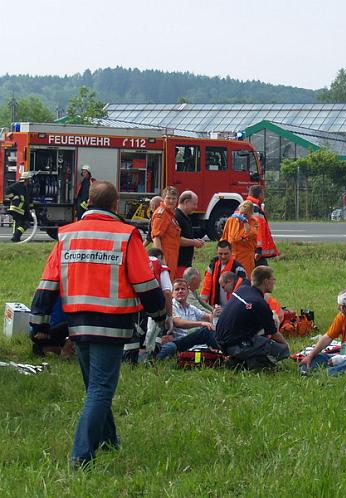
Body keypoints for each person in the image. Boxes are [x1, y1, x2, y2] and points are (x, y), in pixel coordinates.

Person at [29, 181, 167, 468]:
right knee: (101, 389)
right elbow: (145, 284)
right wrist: (160, 316)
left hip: (77, 324)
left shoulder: (66, 236)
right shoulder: (126, 236)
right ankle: (81, 455)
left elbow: (47, 284)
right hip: (112, 324)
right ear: (116, 205)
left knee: (95, 386)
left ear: (88, 203)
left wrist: (38, 324)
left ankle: (108, 440)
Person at [214, 266, 290, 370]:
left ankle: (238, 362)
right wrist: (287, 347)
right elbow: (274, 333)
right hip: (236, 345)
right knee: (281, 350)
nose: (274, 282)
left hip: (221, 342)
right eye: (273, 279)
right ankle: (251, 363)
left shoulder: (242, 290)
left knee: (260, 337)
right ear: (266, 281)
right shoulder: (259, 303)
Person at [157, 279, 219, 360]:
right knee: (206, 331)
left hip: (195, 343)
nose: (180, 291)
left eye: (183, 289)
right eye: (177, 289)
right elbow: (178, 323)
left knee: (210, 331)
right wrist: (201, 323)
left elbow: (207, 317)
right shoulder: (171, 307)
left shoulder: (191, 308)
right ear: (172, 293)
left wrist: (216, 313)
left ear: (188, 292)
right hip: (180, 342)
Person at [200, 241, 248, 306]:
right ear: (217, 252)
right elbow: (206, 288)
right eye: (220, 254)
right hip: (216, 306)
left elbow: (243, 290)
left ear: (231, 252)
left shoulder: (239, 269)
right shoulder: (212, 267)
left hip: (232, 306)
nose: (223, 256)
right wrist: (203, 305)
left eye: (226, 254)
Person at [221, 200, 259, 277]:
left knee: (245, 280)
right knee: (229, 280)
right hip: (231, 256)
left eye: (246, 214)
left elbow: (249, 234)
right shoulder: (231, 220)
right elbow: (224, 238)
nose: (242, 216)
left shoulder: (254, 222)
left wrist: (245, 221)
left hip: (246, 257)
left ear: (251, 213)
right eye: (241, 213)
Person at [150, 186, 181, 276]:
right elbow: (156, 237)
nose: (171, 201)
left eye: (173, 198)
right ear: (163, 199)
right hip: (165, 260)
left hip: (171, 258)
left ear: (177, 200)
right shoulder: (162, 214)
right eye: (168, 198)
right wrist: (161, 261)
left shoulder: (170, 214)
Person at [246, 185, 279, 266]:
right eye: (263, 194)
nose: (264, 197)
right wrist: (258, 250)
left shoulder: (243, 206)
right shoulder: (255, 209)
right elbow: (258, 231)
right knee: (264, 275)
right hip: (254, 249)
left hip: (245, 249)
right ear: (260, 195)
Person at [174, 191, 204, 278]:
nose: (196, 207)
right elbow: (177, 240)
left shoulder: (186, 217)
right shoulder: (177, 217)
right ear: (186, 202)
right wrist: (194, 242)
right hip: (179, 263)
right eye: (194, 204)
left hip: (185, 263)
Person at [5, 170, 34, 242]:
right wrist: (14, 197)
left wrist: (32, 208)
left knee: (24, 224)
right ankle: (16, 237)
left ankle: (16, 237)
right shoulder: (18, 185)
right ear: (26, 179)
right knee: (21, 223)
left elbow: (29, 199)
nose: (31, 180)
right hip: (16, 207)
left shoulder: (29, 187)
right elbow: (7, 191)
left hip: (23, 209)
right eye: (30, 178)